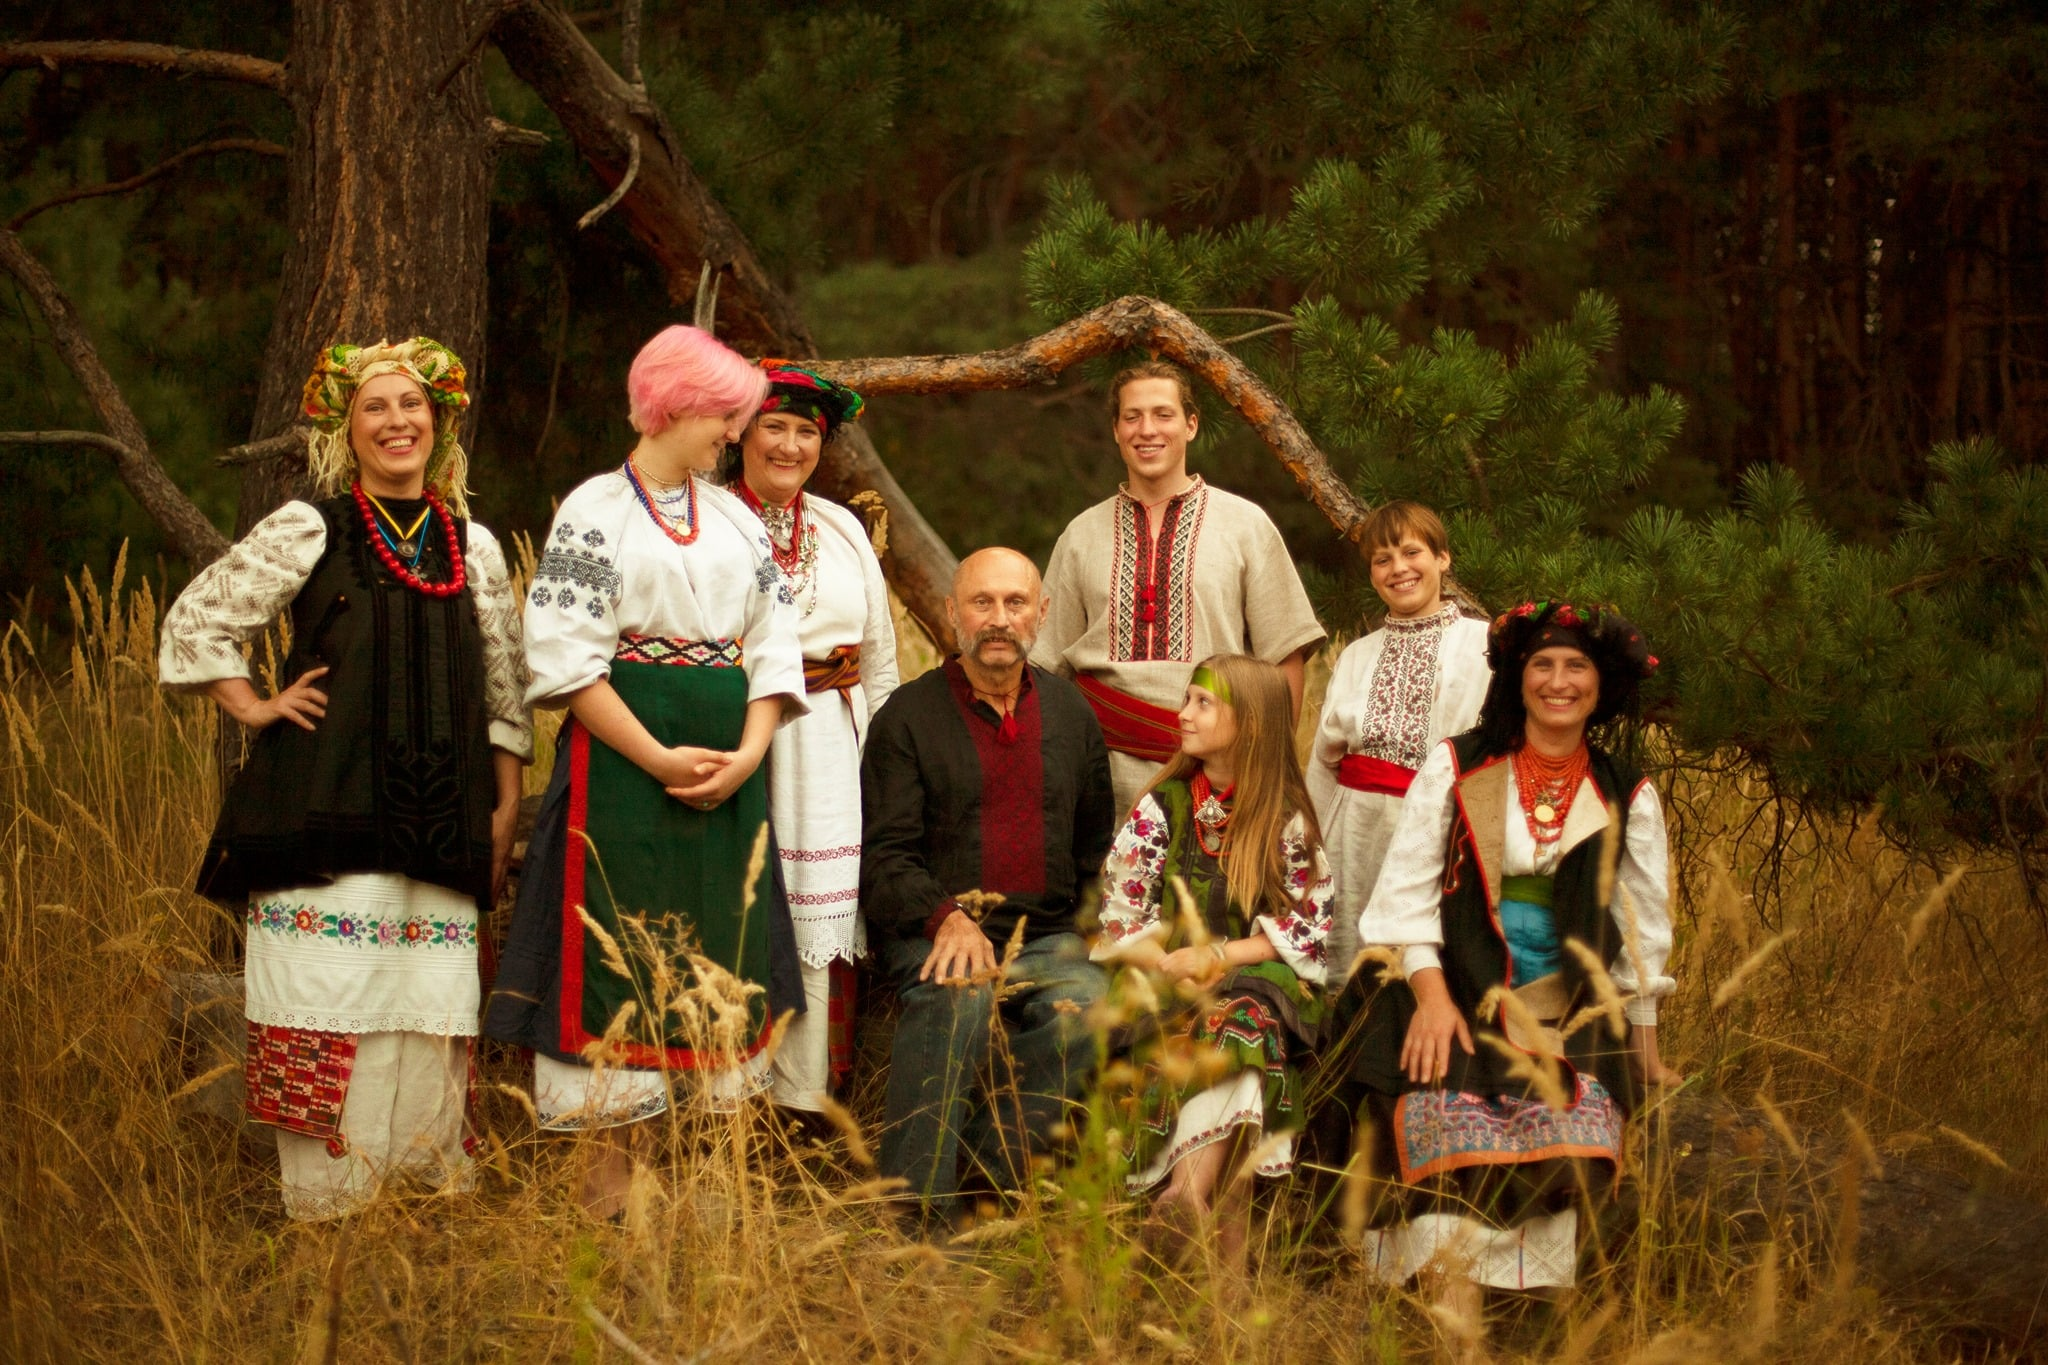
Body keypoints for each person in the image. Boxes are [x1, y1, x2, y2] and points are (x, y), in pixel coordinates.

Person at [158, 337, 530, 1220]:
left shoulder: (473, 546)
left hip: (442, 818)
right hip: (325, 806)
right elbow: (198, 619)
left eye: (412, 405)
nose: (397, 422)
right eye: (376, 407)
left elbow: (505, 685)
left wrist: (508, 797)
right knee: (327, 997)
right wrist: (253, 704)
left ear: (438, 423)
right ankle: (331, 1208)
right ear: (347, 428)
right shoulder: (310, 527)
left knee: (427, 1007)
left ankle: (422, 1203)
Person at [485, 325, 806, 1217]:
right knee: (617, 952)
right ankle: (610, 1190)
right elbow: (567, 660)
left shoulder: (735, 517)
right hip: (624, 769)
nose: (735, 434)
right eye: (724, 416)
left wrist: (749, 753)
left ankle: (708, 1192)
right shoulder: (594, 510)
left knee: (718, 953)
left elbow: (774, 646)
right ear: (672, 405)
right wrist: (657, 756)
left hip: (730, 772)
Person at [1344, 600, 1679, 1347]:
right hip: (1455, 986)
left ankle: (1529, 1321)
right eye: (1542, 665)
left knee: (1571, 1138)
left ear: (1601, 684)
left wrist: (1645, 1047)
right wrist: (1431, 997)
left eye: (1576, 667)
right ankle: (1460, 1340)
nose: (1558, 681)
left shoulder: (1628, 792)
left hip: (1569, 1004)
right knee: (1437, 1117)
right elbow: (1404, 895)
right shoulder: (1457, 764)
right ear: (1517, 678)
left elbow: (1642, 936)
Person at [860, 547, 1115, 1225]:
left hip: (1046, 938)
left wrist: (1098, 933)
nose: (999, 619)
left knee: (1094, 1005)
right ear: (952, 613)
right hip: (934, 930)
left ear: (1042, 613)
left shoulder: (1071, 713)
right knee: (961, 995)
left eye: (1015, 602)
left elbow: (1094, 849)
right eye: (982, 602)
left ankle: (982, 1182)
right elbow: (885, 858)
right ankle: (912, 1207)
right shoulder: (907, 718)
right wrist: (946, 916)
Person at [1092, 653, 1332, 1262]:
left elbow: (1305, 924)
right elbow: (1122, 909)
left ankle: (1183, 1195)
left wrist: (1219, 956)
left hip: (1252, 976)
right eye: (1186, 700)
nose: (1183, 714)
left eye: (1203, 703)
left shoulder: (1285, 818)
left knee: (1243, 1015)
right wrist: (1172, 965)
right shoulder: (1163, 805)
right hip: (1163, 976)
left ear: (1250, 724)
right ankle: (1222, 1264)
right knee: (1238, 1048)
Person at [1032, 361, 1326, 817]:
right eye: (1132, 417)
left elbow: (1283, 658)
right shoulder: (1080, 534)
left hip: (1219, 780)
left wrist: (1271, 774)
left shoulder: (1246, 526)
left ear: (1191, 425)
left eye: (1163, 414)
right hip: (1098, 782)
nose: (1147, 430)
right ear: (1115, 430)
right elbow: (1046, 668)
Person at [721, 360, 898, 1114]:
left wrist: (884, 764)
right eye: (774, 427)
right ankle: (732, 1100)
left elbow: (880, 658)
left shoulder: (843, 526)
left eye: (806, 432)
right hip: (743, 739)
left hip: (833, 750)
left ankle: (806, 1103)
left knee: (822, 920)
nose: (790, 446)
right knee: (745, 907)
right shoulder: (707, 520)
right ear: (741, 433)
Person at [1307, 501, 1491, 984]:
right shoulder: (1355, 655)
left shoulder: (1484, 646)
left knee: (1419, 967)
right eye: (1382, 559)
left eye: (1412, 552)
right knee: (1344, 970)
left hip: (1436, 830)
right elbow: (1323, 764)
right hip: (1353, 834)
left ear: (1443, 559)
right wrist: (1309, 848)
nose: (1399, 569)